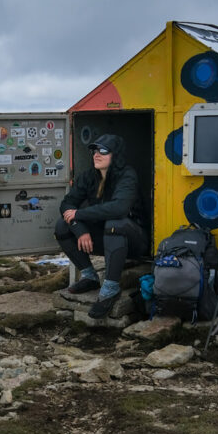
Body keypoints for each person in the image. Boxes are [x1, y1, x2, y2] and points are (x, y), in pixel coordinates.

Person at [54, 134, 147, 318]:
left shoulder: (127, 175)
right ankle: (89, 277)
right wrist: (80, 230)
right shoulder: (89, 176)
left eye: (103, 151)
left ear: (116, 155)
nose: (96, 154)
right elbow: (67, 204)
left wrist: (79, 214)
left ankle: (111, 287)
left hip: (134, 240)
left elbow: (119, 208)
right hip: (107, 239)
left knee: (114, 223)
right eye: (94, 150)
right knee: (62, 226)